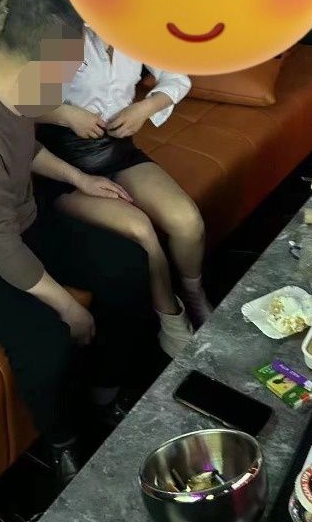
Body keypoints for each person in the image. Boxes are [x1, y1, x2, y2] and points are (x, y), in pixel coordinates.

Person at [0, 0, 155, 485]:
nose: (73, 78)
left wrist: (80, 179)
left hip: (15, 220)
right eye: (69, 68)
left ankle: (104, 395)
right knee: (45, 338)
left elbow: (23, 148)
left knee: (127, 264)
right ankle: (63, 444)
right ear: (38, 63)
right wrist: (70, 308)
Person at [37, 26, 214, 348]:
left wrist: (144, 108)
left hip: (117, 150)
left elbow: (177, 78)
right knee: (140, 229)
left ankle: (194, 294)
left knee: (187, 220)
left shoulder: (136, 28)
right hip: (61, 163)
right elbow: (19, 100)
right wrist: (66, 114)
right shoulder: (62, 30)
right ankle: (171, 320)